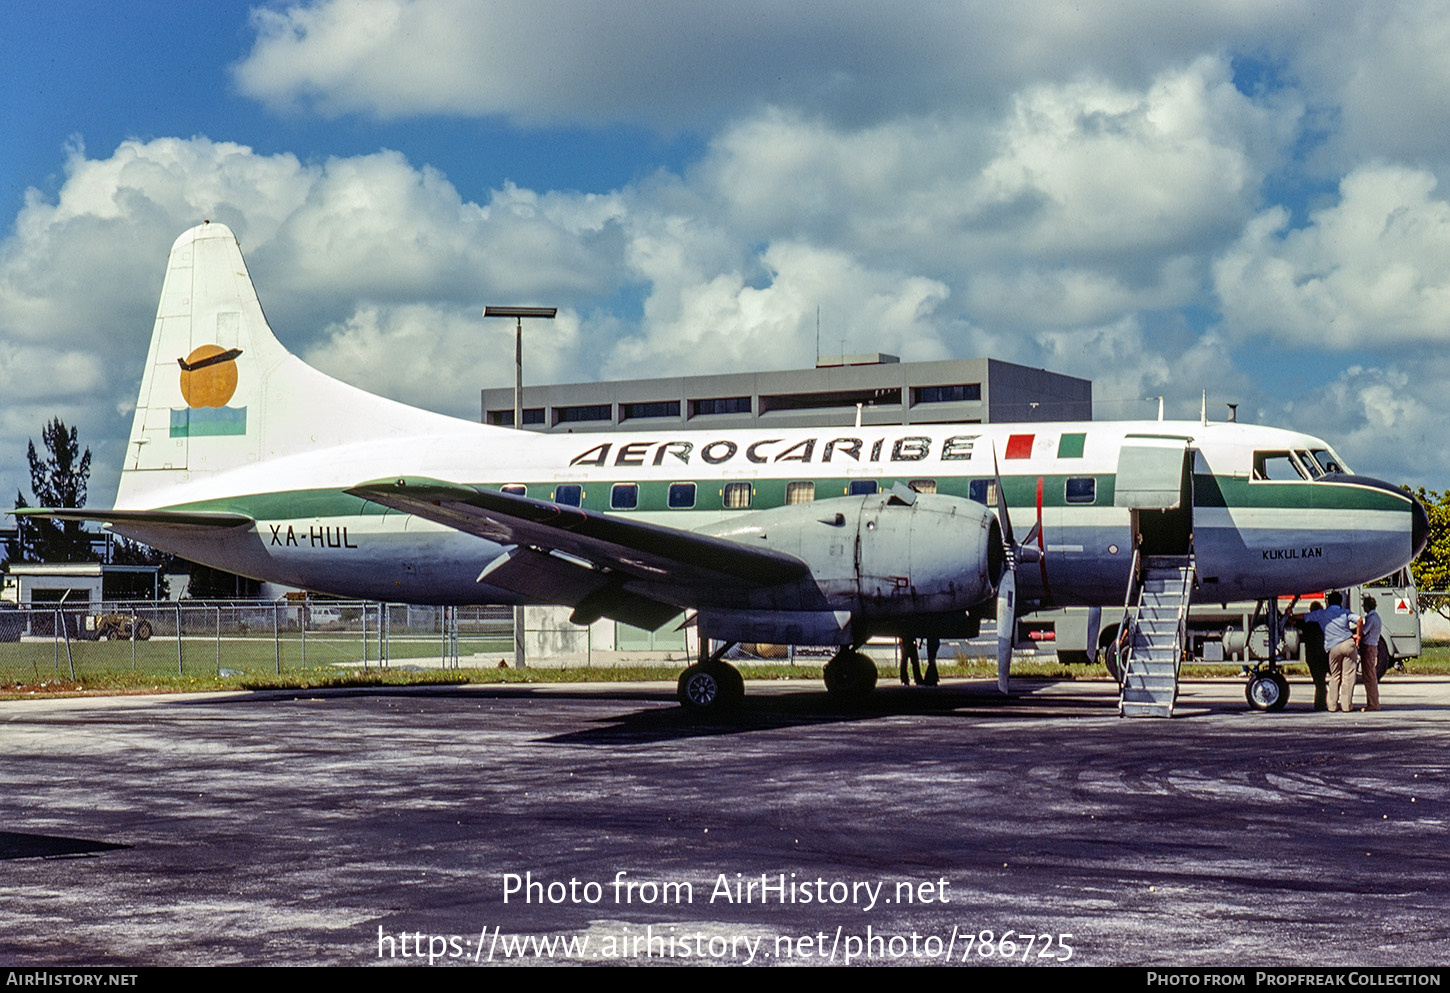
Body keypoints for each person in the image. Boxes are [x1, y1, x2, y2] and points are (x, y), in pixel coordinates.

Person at [1305, 592, 1359, 713]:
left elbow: (1303, 617)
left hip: (1332, 648)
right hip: (1347, 643)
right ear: (1340, 602)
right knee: (1348, 677)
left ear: (1328, 602)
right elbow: (1359, 620)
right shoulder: (1345, 612)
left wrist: (1287, 615)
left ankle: (1331, 705)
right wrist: (1359, 635)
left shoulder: (1321, 614)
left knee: (1335, 677)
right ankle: (1346, 706)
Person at [1298, 601, 1329, 711]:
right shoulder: (1323, 623)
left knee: (1318, 682)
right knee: (1323, 682)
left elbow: (1293, 621)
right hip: (1322, 654)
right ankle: (1323, 703)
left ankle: (1319, 703)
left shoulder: (1306, 624)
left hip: (1311, 656)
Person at [1359, 596, 1383, 711]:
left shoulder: (1371, 618)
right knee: (1369, 676)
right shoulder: (1376, 617)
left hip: (1368, 647)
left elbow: (1364, 632)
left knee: (1369, 676)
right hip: (1373, 645)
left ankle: (1373, 704)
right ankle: (1372, 702)